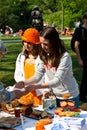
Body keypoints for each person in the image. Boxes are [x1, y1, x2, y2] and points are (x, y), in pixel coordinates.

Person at [13, 27, 79, 108]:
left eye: (45, 44)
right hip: (54, 96)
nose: (42, 47)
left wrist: (35, 86)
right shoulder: (43, 55)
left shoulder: (65, 57)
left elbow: (56, 81)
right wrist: (23, 83)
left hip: (69, 96)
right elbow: (38, 75)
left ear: (53, 43)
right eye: (41, 43)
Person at [14, 28, 45, 105]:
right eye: (24, 42)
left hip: (39, 94)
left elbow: (45, 77)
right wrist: (23, 84)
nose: (26, 45)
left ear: (36, 44)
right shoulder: (21, 57)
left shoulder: (42, 58)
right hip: (24, 94)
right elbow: (17, 75)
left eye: (29, 43)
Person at [73, 12, 87, 102]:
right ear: (85, 19)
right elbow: (76, 45)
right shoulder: (79, 30)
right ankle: (83, 95)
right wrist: (79, 59)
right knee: (86, 77)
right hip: (85, 57)